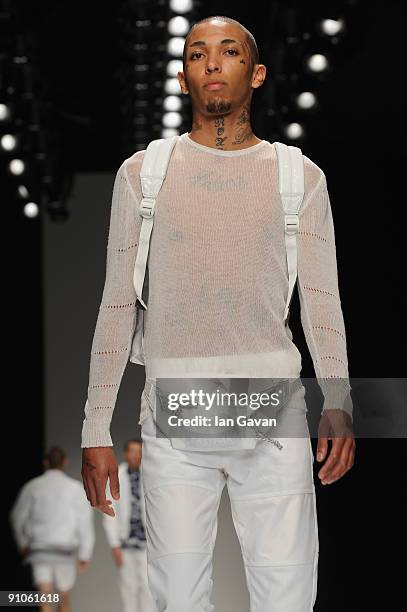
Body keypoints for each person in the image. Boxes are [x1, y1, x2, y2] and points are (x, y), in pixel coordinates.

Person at [81, 15, 356, 611]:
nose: (212, 63)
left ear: (254, 73)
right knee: (178, 602)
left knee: (286, 600)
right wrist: (94, 426)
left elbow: (322, 298)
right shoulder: (142, 175)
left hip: (273, 412)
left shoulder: (299, 177)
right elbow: (117, 301)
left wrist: (338, 400)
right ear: (183, 76)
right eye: (197, 53)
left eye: (228, 52)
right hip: (175, 415)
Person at [10, 446, 95, 612]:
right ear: (65, 462)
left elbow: (16, 517)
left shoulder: (32, 487)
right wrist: (85, 554)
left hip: (40, 549)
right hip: (64, 549)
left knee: (46, 598)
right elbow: (84, 522)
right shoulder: (75, 488)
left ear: (45, 463)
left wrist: (23, 544)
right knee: (63, 597)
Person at [102, 438, 155, 612]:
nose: (136, 455)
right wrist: (114, 544)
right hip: (125, 543)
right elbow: (110, 513)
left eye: (139, 451)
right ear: (125, 454)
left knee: (149, 590)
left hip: (148, 544)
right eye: (132, 451)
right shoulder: (115, 477)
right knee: (128, 590)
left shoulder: (151, 475)